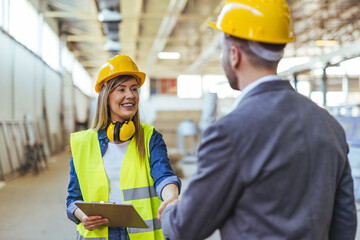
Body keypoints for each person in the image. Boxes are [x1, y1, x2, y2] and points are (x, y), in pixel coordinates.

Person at [160, 0, 357, 239]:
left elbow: (186, 227)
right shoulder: (329, 125)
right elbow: (345, 222)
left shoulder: (230, 132)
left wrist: (171, 208)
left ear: (234, 55)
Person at [66, 55, 181, 240]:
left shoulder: (150, 138)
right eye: (121, 89)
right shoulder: (83, 143)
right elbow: (72, 199)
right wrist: (82, 216)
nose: (130, 95)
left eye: (134, 89)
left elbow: (164, 175)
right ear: (106, 95)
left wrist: (171, 197)